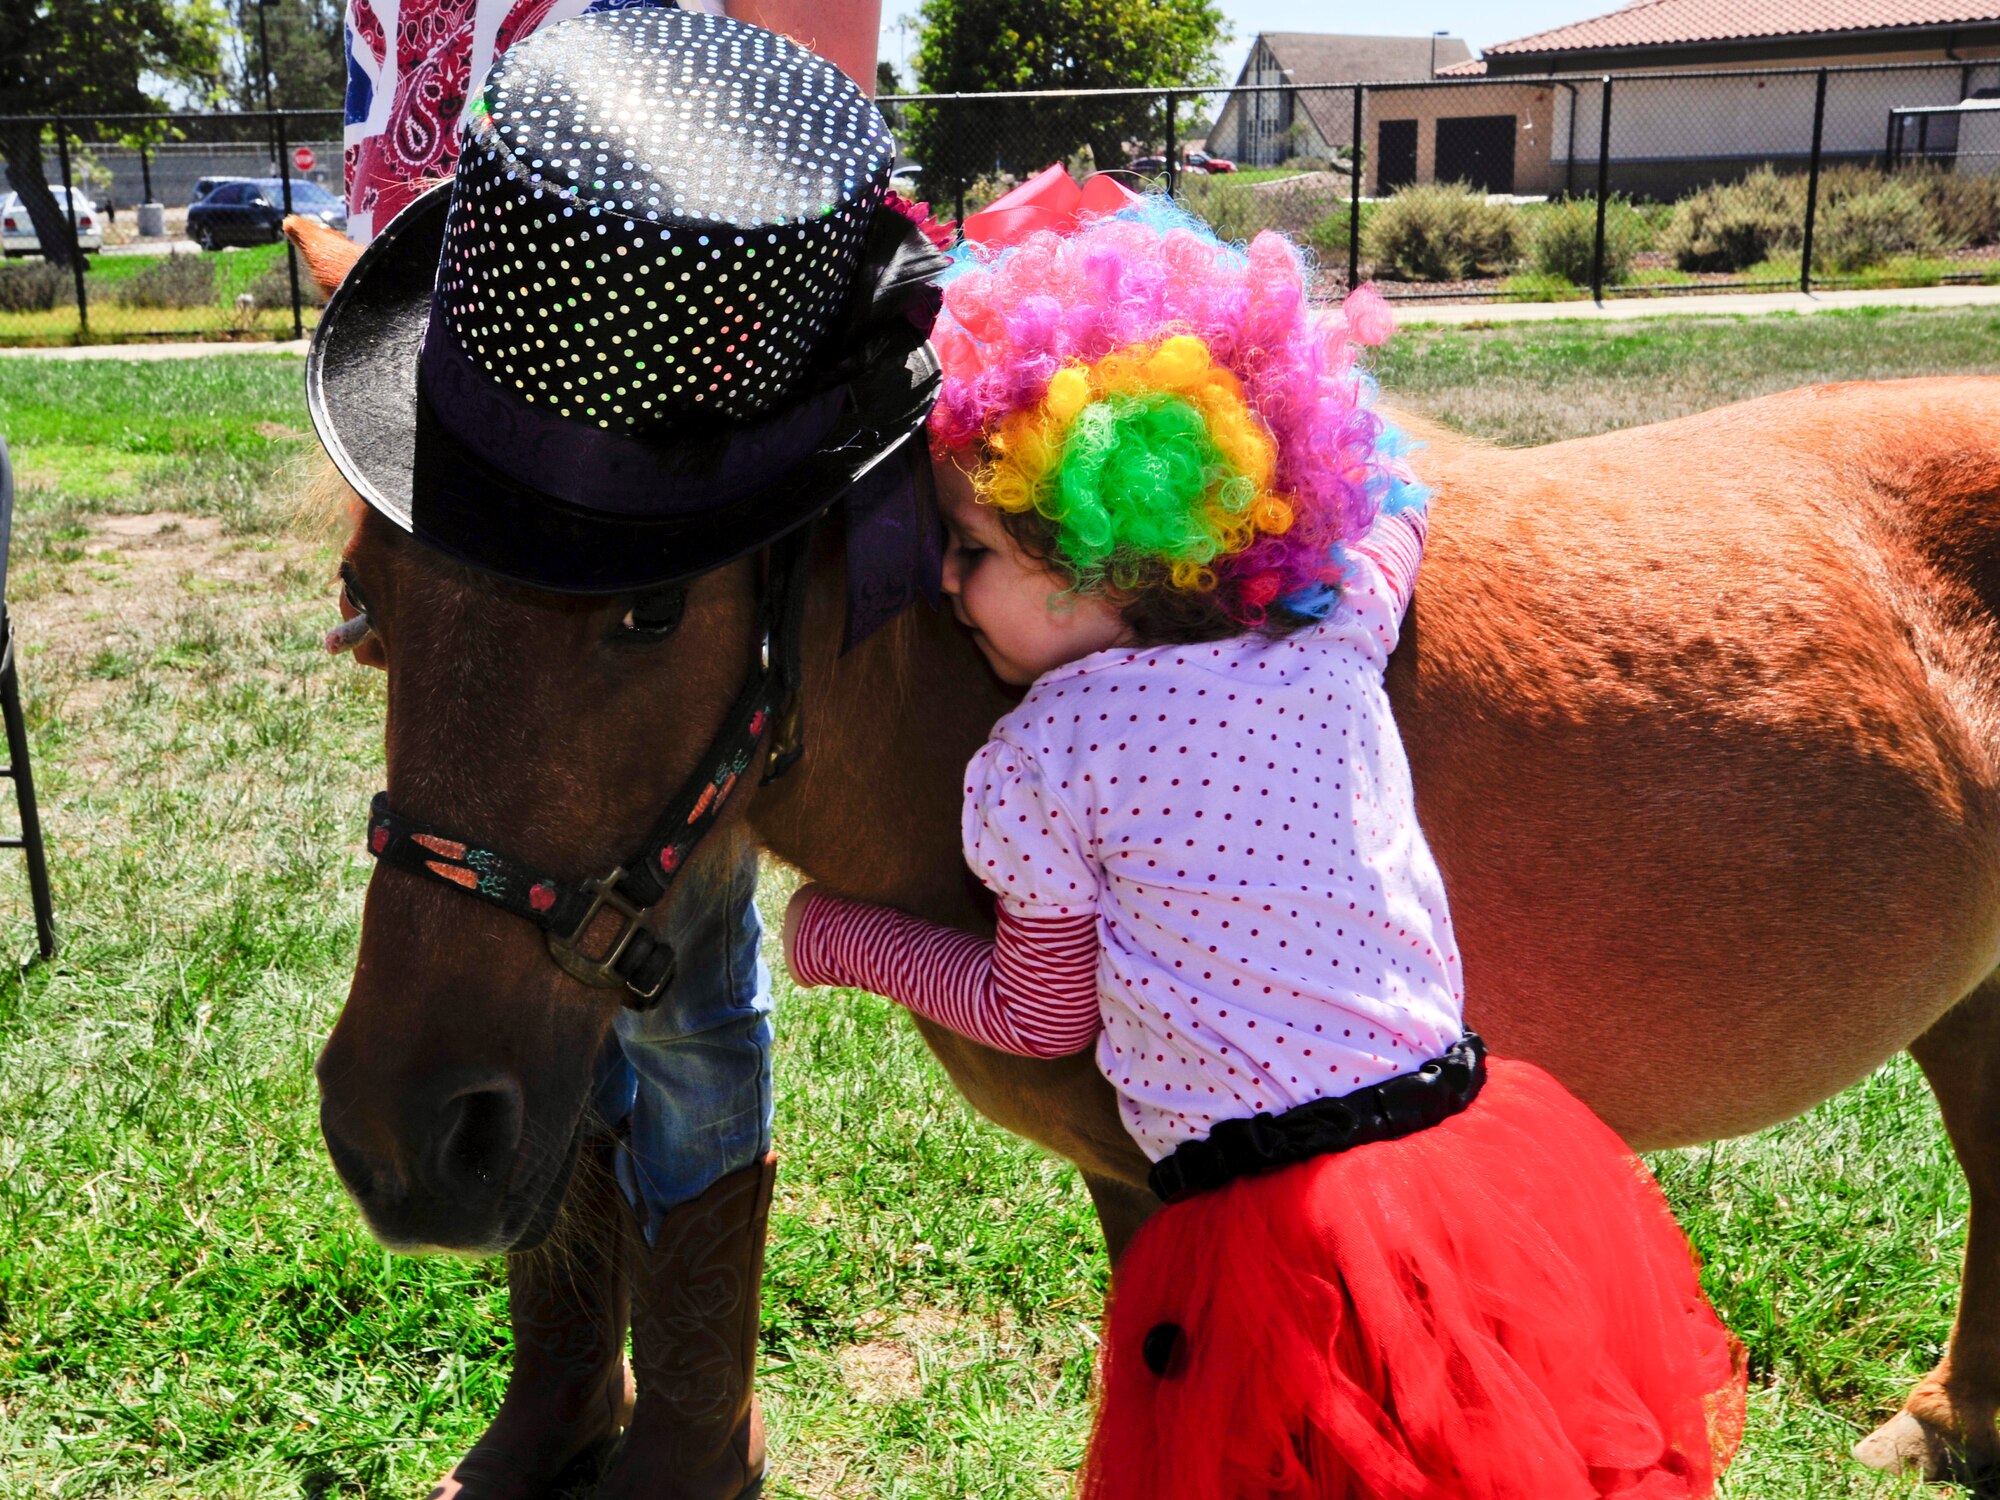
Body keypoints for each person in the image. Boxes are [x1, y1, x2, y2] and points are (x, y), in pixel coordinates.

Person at [783, 200, 1748, 1500]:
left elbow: (1037, 1009)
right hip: (1462, 1166)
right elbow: (1391, 519)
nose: (949, 589)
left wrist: (847, 939)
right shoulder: (1333, 633)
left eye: (973, 551)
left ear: (1085, 560)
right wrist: (1336, 441)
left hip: (1266, 1229)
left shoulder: (1040, 758)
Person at [332, 4, 898, 1497]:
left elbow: (805, 99)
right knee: (515, 909)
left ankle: (697, 1423)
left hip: (660, 457)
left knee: (678, 970)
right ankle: (569, 1381)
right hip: (477, 426)